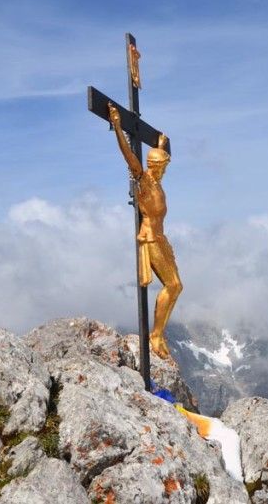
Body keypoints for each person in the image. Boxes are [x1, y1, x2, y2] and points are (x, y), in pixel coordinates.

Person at [108, 102, 182, 360]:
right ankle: (156, 335)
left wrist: (160, 146)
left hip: (160, 238)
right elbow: (129, 156)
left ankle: (158, 334)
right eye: (162, 166)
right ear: (155, 166)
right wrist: (118, 126)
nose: (164, 171)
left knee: (177, 286)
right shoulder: (145, 180)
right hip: (150, 238)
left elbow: (156, 160)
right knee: (172, 285)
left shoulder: (158, 183)